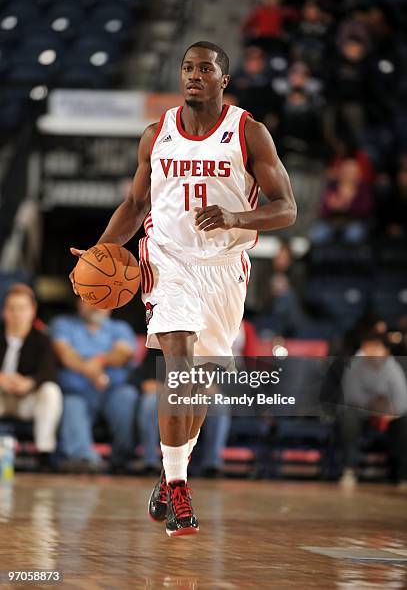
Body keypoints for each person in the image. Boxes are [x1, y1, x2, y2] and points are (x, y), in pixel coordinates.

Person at [69, 41, 296, 536]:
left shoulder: (249, 132)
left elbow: (286, 208)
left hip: (225, 265)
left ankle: (171, 472)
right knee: (179, 362)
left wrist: (237, 217)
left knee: (201, 386)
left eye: (206, 68)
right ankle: (178, 489)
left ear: (223, 80)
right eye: (188, 68)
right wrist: (99, 251)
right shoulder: (157, 134)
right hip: (167, 258)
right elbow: (134, 206)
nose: (195, 75)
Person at [51, 300, 138, 474]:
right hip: (77, 392)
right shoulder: (63, 324)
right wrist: (90, 370)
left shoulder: (120, 328)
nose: (95, 305)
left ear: (111, 306)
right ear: (78, 303)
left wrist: (99, 361)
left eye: (101, 300)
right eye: (89, 300)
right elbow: (64, 353)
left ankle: (123, 458)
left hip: (112, 391)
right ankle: (83, 459)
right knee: (71, 404)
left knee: (127, 396)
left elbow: (124, 353)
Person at [0, 284, 62, 470]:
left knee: (51, 392)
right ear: (4, 311)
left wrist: (30, 382)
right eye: (11, 308)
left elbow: (50, 372)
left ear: (32, 311)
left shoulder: (42, 338)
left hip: (28, 399)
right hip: (2, 397)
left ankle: (44, 453)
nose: (16, 314)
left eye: (22, 308)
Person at [338, 332, 407, 489]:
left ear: (386, 351)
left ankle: (403, 475)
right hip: (361, 413)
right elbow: (351, 396)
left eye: (377, 347)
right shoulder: (355, 365)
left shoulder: (393, 368)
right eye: (368, 347)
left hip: (387, 415)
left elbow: (402, 400)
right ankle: (350, 470)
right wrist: (373, 406)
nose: (372, 351)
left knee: (404, 421)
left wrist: (390, 413)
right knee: (348, 417)